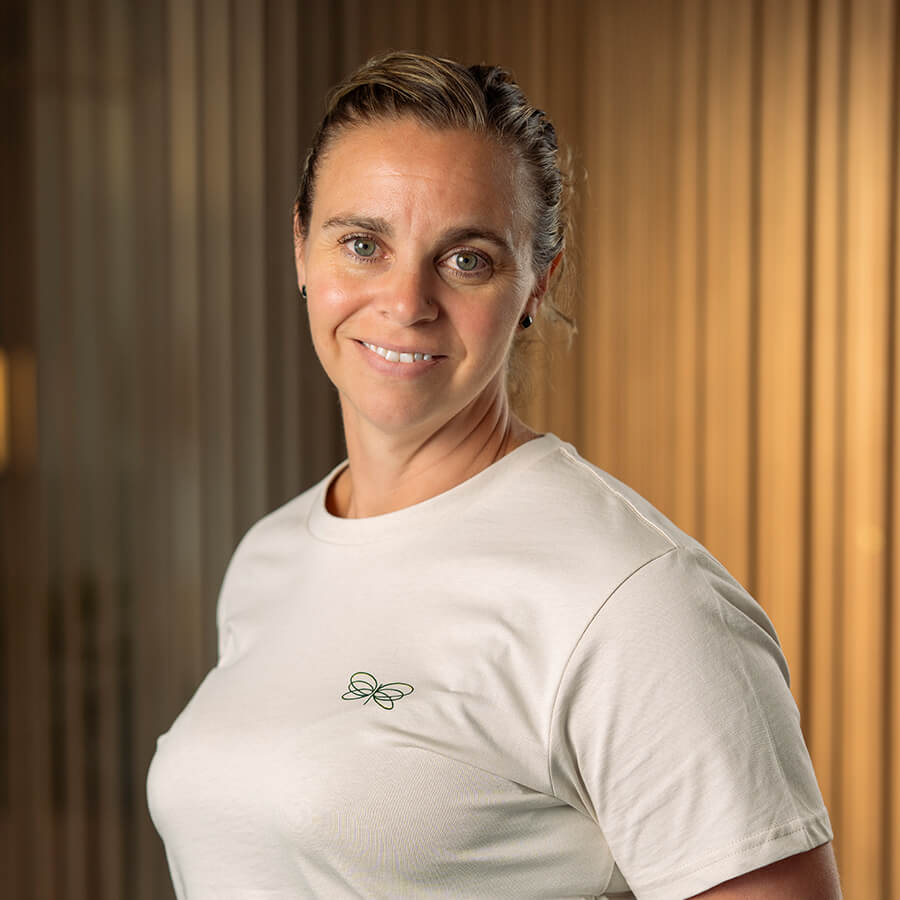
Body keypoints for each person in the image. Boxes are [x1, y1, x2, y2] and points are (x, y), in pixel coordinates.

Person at [146, 51, 841, 899]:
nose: (406, 303)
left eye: (467, 259)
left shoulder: (633, 599)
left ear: (537, 284)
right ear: (300, 247)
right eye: (363, 244)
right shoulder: (270, 555)